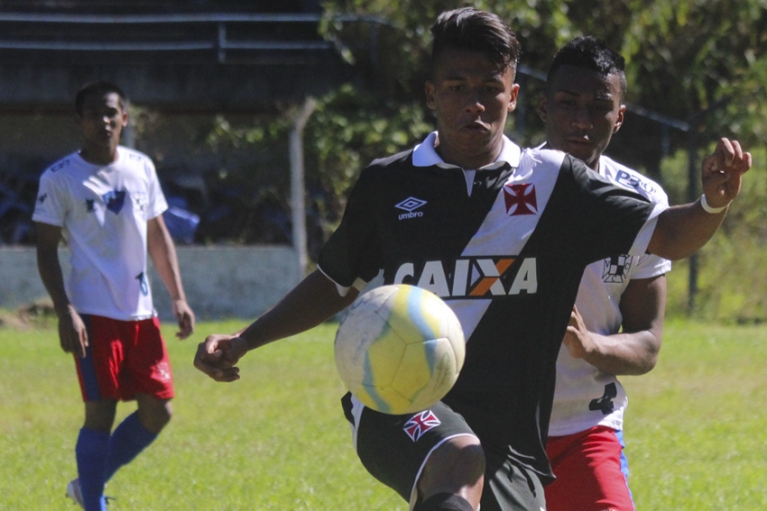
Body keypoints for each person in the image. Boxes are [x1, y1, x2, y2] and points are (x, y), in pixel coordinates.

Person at [193, 8, 750, 511]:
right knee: (458, 463)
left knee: (470, 469)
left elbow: (668, 235)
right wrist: (245, 340)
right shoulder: (389, 183)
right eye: (457, 87)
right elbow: (334, 282)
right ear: (432, 95)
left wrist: (712, 203)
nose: (474, 104)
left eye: (489, 88)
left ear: (514, 96)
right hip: (398, 399)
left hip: (509, 435)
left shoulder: (556, 183)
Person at [33, 81, 195, 511]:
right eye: (93, 114)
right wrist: (65, 311)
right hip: (91, 313)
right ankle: (94, 503)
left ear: (124, 117)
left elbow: (157, 234)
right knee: (100, 413)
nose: (103, 121)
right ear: (79, 121)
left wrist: (177, 296)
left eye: (110, 112)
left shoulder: (141, 167)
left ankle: (88, 486)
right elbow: (45, 249)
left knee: (158, 410)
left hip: (141, 313)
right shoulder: (59, 178)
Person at [537, 36, 668, 511]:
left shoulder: (642, 201)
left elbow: (647, 344)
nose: (581, 120)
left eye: (598, 106)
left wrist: (588, 345)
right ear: (542, 107)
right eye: (568, 103)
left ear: (620, 116)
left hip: (587, 430)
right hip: (495, 426)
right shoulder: (504, 186)